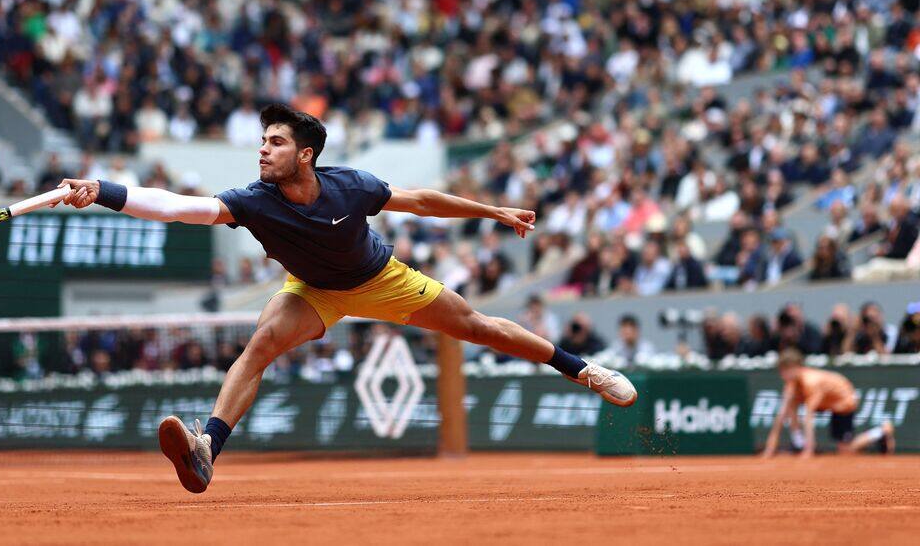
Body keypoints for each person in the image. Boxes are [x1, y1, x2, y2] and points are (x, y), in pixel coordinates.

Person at [57, 104, 637, 493]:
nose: (263, 150)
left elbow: (424, 201)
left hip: (380, 277)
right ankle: (206, 448)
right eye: (262, 141)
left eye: (276, 142)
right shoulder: (253, 200)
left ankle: (585, 371)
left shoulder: (349, 186)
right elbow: (180, 207)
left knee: (475, 325)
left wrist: (494, 211)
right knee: (259, 345)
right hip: (311, 292)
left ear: (304, 154)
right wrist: (104, 190)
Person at [761, 348, 894, 458]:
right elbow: (781, 415)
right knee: (791, 404)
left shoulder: (811, 382)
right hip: (828, 403)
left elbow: (808, 415)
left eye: (785, 370)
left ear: (796, 367)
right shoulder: (791, 384)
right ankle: (798, 443)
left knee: (846, 450)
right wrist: (770, 447)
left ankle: (882, 431)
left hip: (844, 401)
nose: (782, 375)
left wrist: (809, 450)